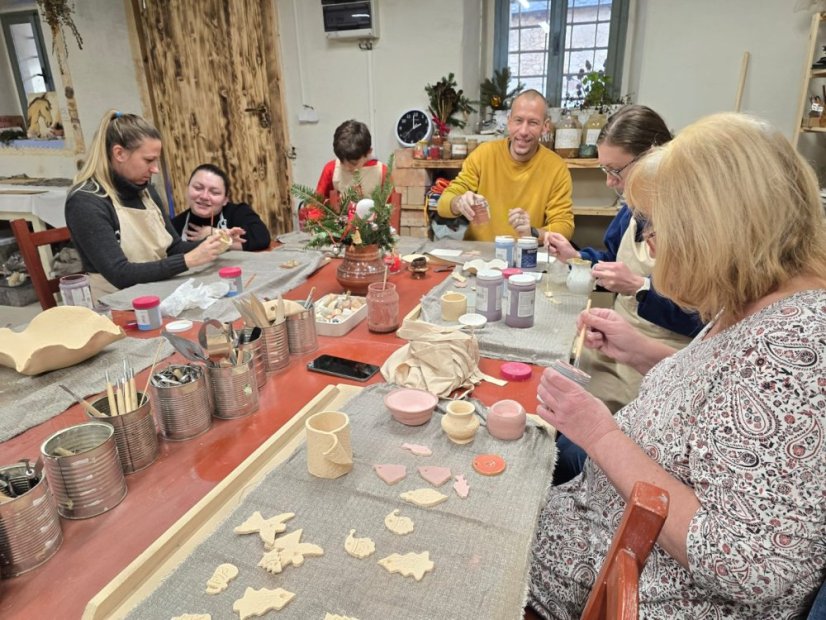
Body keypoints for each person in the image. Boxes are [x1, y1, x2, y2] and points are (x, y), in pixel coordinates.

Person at [527, 113, 826, 619]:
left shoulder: (794, 347)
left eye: (653, 227)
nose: (649, 244)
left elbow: (745, 563)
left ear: (713, 228)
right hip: (597, 527)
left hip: (638, 587)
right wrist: (641, 351)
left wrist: (599, 434)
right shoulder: (753, 300)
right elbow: (720, 397)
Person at [545, 106, 704, 484]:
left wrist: (641, 286)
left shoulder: (693, 224)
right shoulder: (632, 211)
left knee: (561, 455)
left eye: (616, 171)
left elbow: (705, 317)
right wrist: (578, 258)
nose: (610, 183)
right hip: (615, 354)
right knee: (547, 420)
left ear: (654, 158)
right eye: (604, 170)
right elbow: (611, 261)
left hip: (657, 368)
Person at [65, 111, 238, 297]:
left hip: (159, 289)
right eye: (148, 160)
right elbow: (120, 274)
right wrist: (188, 260)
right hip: (116, 301)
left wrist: (212, 244)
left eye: (156, 160)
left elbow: (173, 248)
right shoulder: (86, 202)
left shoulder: (146, 191)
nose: (155, 169)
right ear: (119, 153)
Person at [435, 89, 574, 242]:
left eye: (533, 123)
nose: (523, 131)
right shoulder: (483, 154)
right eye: (518, 120)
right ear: (508, 121)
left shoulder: (556, 167)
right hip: (479, 256)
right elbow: (443, 204)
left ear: (545, 126)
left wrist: (532, 233)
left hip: (525, 256)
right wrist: (459, 203)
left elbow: (564, 226)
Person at [172, 164, 271, 251]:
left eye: (214, 192)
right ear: (187, 189)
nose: (204, 196)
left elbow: (261, 238)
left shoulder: (238, 212)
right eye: (198, 188)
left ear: (225, 199)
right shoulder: (174, 225)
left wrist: (215, 234)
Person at [315, 119, 387, 202]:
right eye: (342, 162)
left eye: (354, 163)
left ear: (368, 152)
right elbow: (316, 205)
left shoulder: (382, 172)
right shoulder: (331, 169)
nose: (347, 168)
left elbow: (393, 209)